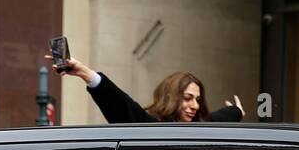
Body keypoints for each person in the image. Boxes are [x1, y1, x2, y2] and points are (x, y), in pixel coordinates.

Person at [51, 54, 244, 123]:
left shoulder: (199, 127)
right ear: (171, 98)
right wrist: (85, 73)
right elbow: (122, 106)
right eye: (187, 98)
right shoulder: (150, 126)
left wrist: (236, 111)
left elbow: (219, 117)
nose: (194, 105)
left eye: (198, 99)